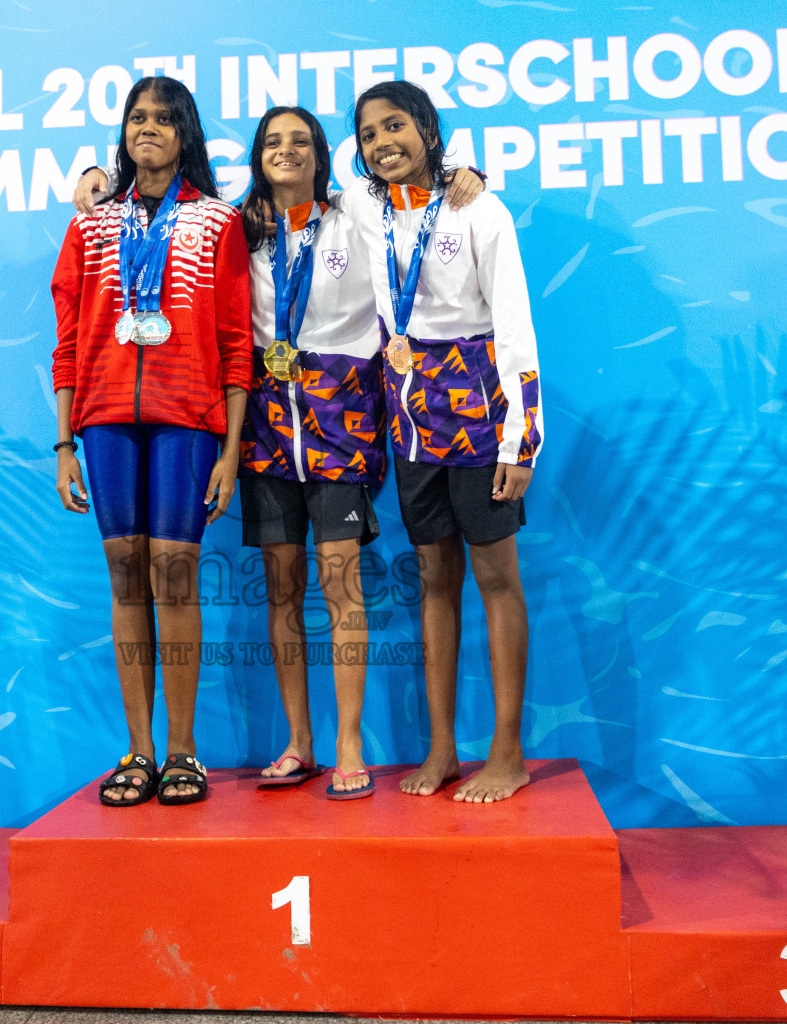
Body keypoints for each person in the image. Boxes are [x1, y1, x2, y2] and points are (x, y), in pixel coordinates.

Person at [73, 108, 482, 800]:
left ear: (323, 155)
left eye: (300, 141)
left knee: (341, 583)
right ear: (256, 157)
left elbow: (412, 187)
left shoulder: (356, 211)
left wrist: (463, 176)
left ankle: (350, 744)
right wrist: (94, 177)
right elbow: (151, 203)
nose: (285, 151)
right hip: (266, 427)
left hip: (339, 422)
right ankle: (301, 743)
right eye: (272, 142)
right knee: (282, 586)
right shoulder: (241, 227)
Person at [50, 76, 251, 807]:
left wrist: (229, 451)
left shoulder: (219, 222)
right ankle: (138, 751)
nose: (149, 129)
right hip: (104, 420)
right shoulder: (90, 224)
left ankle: (185, 752)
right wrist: (65, 443)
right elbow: (67, 341)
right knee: (126, 574)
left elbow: (236, 341)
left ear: (185, 134)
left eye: (165, 119)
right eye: (137, 117)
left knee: (173, 575)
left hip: (187, 418)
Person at [349, 80, 542, 803]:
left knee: (496, 579)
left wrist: (521, 444)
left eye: (396, 127)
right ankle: (441, 748)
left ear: (428, 129)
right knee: (434, 580)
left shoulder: (479, 210)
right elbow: (327, 173)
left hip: (483, 414)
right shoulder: (369, 210)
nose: (381, 143)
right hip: (410, 417)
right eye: (370, 134)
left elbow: (516, 327)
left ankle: (508, 752)